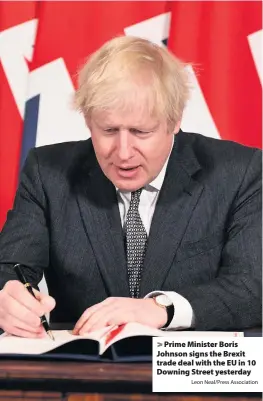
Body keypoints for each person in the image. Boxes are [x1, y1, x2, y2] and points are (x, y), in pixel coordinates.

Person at [0, 36, 261, 339]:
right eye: (108, 130)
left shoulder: (240, 172)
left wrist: (160, 309)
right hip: (83, 374)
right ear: (88, 120)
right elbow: (9, 269)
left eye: (141, 131)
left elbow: (252, 287)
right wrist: (8, 299)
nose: (123, 152)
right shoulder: (47, 172)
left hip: (195, 375)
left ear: (174, 120)